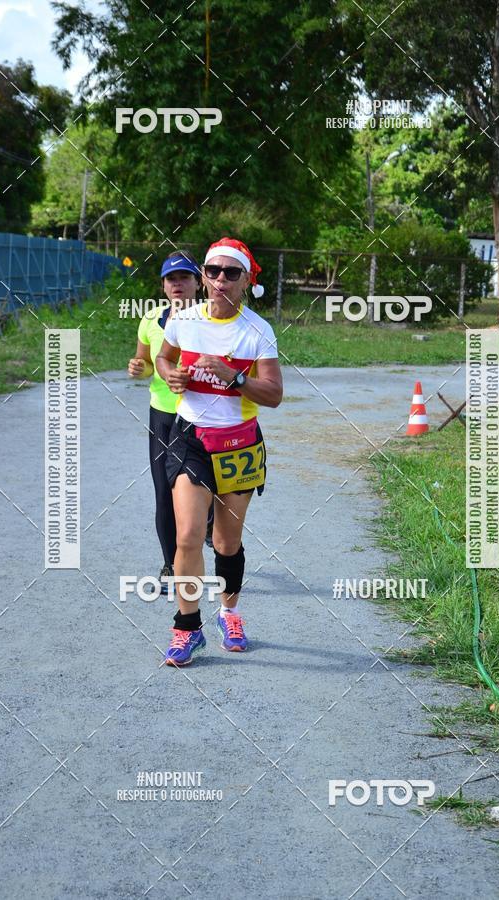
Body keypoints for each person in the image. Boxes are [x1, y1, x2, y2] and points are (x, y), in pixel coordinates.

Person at [156, 237, 283, 665]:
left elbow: (274, 395)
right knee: (188, 535)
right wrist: (171, 375)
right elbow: (164, 358)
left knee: (226, 543)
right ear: (204, 277)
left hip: (239, 443)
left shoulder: (258, 331)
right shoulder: (184, 320)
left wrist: (235, 377)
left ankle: (229, 613)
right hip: (190, 437)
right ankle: (187, 627)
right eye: (213, 271)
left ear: (246, 280)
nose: (221, 279)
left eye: (232, 272)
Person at [127, 251, 203, 593]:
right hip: (162, 414)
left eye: (185, 277)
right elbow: (145, 363)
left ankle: (209, 530)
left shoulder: (211, 321)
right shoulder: (150, 320)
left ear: (198, 283)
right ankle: (171, 564)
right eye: (171, 279)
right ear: (163, 285)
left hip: (200, 416)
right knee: (163, 491)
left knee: (205, 490)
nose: (178, 284)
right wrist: (138, 368)